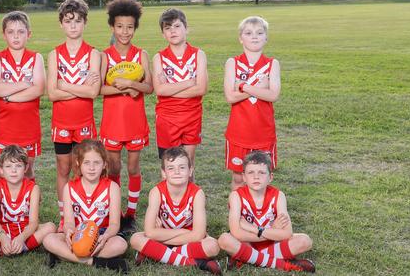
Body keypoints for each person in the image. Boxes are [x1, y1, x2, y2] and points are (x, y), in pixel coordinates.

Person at [98, 0, 153, 234]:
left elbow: (149, 87)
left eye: (130, 27)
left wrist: (133, 84)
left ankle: (130, 213)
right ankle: (115, 211)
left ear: (135, 28)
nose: (125, 32)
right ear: (112, 26)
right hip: (112, 123)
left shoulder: (141, 55)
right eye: (120, 26)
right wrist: (123, 87)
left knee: (132, 167)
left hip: (134, 122)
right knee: (113, 168)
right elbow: (99, 89)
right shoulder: (104, 56)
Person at [46, 0, 101, 226]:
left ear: (85, 23)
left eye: (78, 21)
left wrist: (64, 85)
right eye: (68, 21)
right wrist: (81, 88)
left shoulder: (93, 54)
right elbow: (51, 94)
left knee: (84, 169)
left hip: (84, 122)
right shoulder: (54, 55)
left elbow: (93, 93)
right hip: (61, 122)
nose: (73, 26)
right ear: (61, 24)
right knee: (64, 168)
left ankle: (84, 216)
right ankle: (63, 218)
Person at [218, 151, 315, 273]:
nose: (256, 177)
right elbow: (237, 233)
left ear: (271, 177)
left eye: (262, 172)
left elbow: (287, 234)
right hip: (247, 243)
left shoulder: (278, 196)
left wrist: (256, 229)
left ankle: (246, 258)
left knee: (305, 241)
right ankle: (281, 264)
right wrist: (272, 230)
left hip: (271, 243)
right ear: (244, 177)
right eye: (251, 172)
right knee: (224, 239)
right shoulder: (236, 196)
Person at [129, 147, 221, 274]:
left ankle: (156, 253)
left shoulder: (197, 193)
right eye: (171, 168)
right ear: (164, 173)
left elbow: (198, 234)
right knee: (135, 238)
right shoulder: (156, 192)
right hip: (184, 236)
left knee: (213, 246)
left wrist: (159, 238)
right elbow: (149, 232)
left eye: (182, 167)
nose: (177, 172)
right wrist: (182, 231)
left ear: (190, 171)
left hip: (176, 239)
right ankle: (194, 262)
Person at [42, 140, 129, 272]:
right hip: (78, 233)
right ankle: (96, 262)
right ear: (78, 163)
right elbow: (69, 222)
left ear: (104, 164)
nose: (92, 168)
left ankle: (63, 255)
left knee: (121, 244)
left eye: (97, 163)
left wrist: (105, 237)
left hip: (101, 234)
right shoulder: (69, 188)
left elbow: (114, 224)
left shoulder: (112, 187)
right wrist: (69, 231)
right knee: (49, 239)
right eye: (87, 163)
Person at [223, 16, 281, 190]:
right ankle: (236, 216)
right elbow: (230, 97)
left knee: (261, 179)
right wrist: (257, 87)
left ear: (266, 38)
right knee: (239, 179)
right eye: (248, 33)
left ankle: (258, 215)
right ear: (241, 38)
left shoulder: (272, 64)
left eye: (259, 33)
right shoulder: (233, 62)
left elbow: (273, 95)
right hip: (239, 132)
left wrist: (242, 86)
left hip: (263, 133)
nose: (254, 36)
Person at [0, 12, 45, 181]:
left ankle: (30, 206)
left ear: (29, 34)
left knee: (26, 171)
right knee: (5, 173)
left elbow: (39, 88)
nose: (16, 36)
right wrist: (24, 84)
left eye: (21, 31)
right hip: (5, 128)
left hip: (28, 128)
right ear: (4, 35)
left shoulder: (36, 58)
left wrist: (8, 96)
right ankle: (7, 208)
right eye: (11, 32)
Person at [0, 145, 55, 258]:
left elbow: (33, 222)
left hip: (25, 231)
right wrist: (3, 237)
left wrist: (22, 237)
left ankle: (2, 251)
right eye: (8, 166)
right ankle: (12, 247)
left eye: (18, 166)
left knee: (50, 227)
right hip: (3, 229)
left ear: (26, 168)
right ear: (1, 170)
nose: (13, 170)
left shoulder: (33, 188)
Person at [152, 8, 208, 164]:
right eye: (167, 28)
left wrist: (170, 89)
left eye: (177, 26)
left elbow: (201, 89)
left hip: (192, 116)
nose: (172, 31)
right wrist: (190, 82)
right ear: (163, 34)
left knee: (188, 163)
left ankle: (190, 189)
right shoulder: (159, 57)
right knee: (169, 164)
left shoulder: (198, 54)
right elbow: (160, 90)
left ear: (186, 29)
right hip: (167, 118)